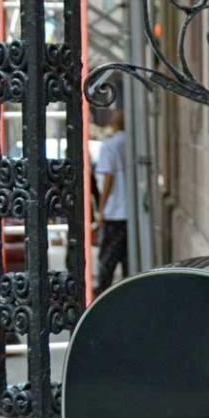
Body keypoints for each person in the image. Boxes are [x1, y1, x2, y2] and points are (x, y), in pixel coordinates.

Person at [94, 110, 128, 297]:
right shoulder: (133, 142)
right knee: (127, 259)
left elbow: (108, 178)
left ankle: (103, 295)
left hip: (115, 211)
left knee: (107, 259)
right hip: (133, 212)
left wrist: (101, 209)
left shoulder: (110, 145)